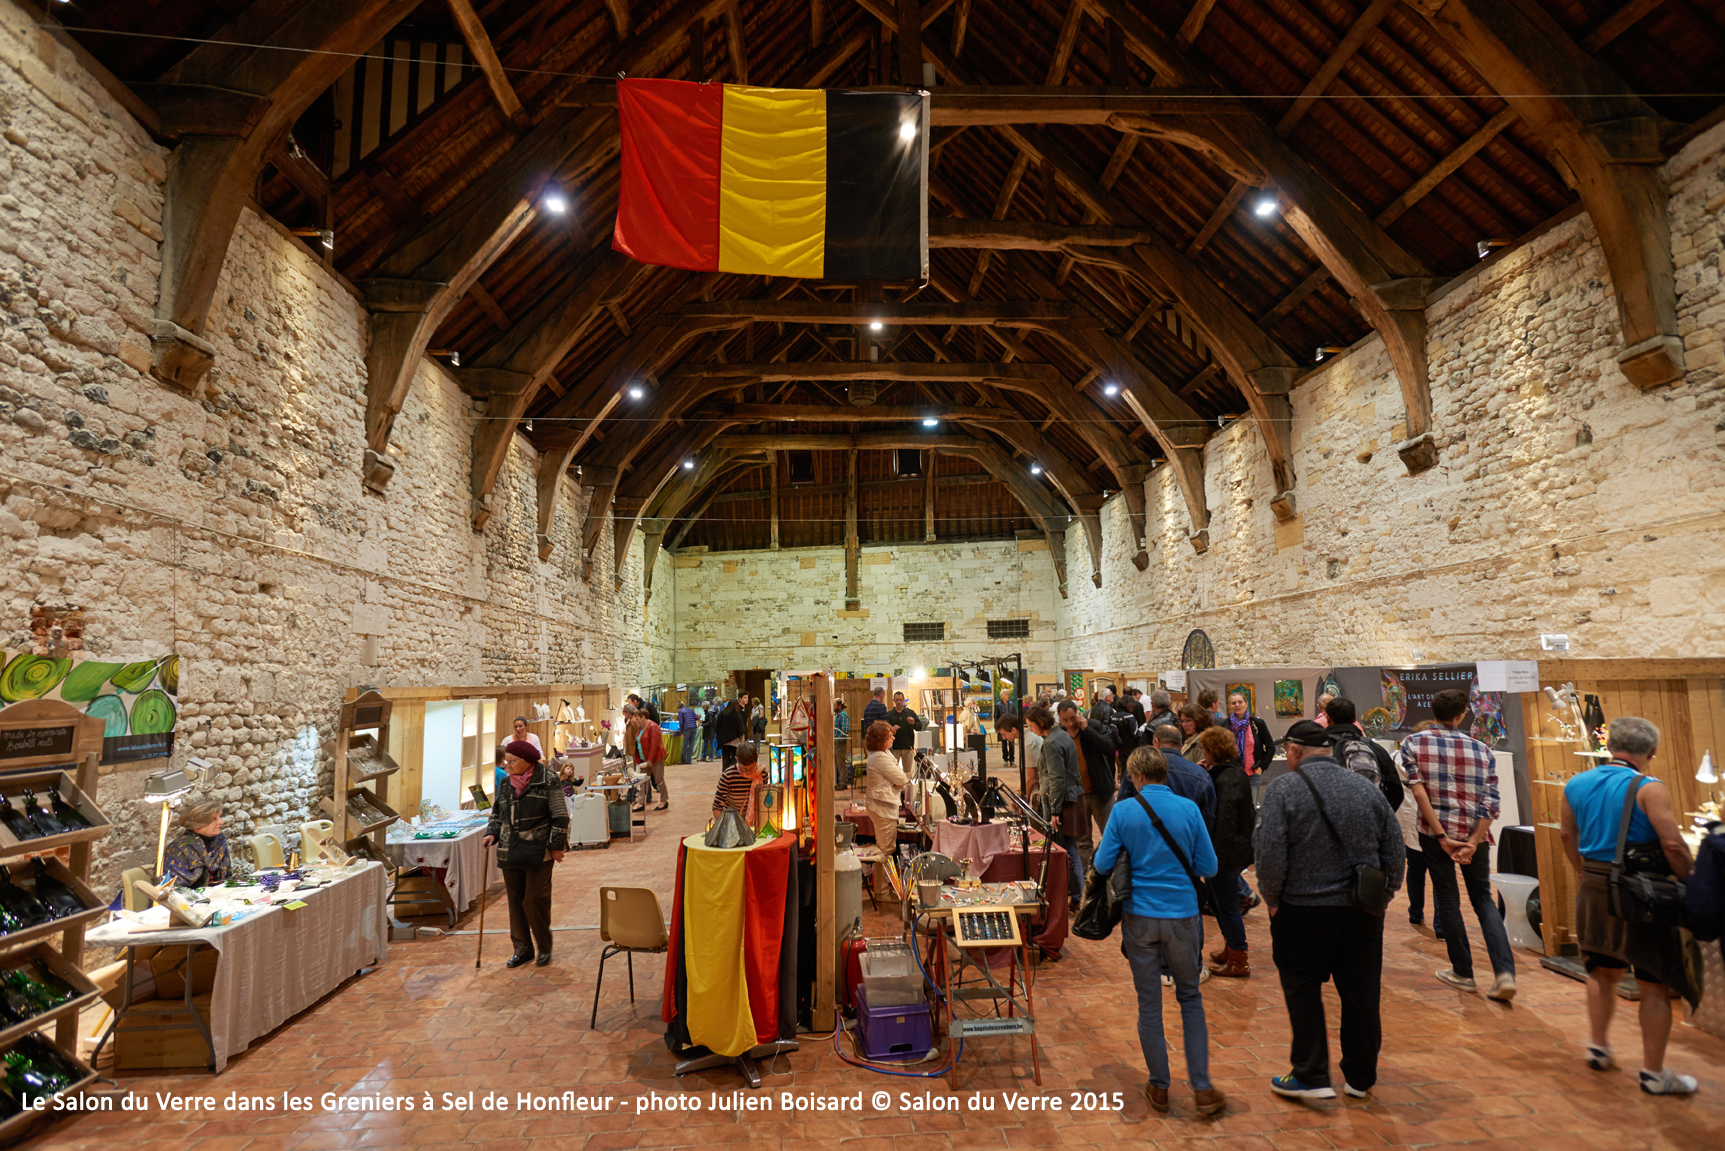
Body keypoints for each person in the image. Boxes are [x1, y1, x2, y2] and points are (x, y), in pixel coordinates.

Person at [1255, 720, 1403, 1101]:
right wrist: (1382, 898)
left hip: (1302, 910)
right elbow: (1394, 851)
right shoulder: (1364, 788)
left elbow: (1270, 852)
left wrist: (1271, 899)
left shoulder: (1284, 789)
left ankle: (1311, 1074)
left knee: (1302, 988)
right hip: (1361, 912)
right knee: (1361, 994)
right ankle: (1360, 1077)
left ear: (1293, 752)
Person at [1560, 716, 1698, 1095]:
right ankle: (1654, 1074)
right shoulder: (1650, 788)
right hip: (1643, 889)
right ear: (1651, 752)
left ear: (1609, 747)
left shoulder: (1576, 782)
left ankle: (1598, 1047)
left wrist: (1586, 875)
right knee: (1654, 982)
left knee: (1600, 971)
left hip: (1593, 884)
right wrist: (1694, 884)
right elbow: (1672, 845)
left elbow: (1566, 835)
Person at [1093, 747, 1224, 1117]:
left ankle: (1160, 1085)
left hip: (1140, 917)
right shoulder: (1188, 809)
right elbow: (1209, 867)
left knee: (1149, 1003)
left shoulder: (1123, 811)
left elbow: (1103, 864)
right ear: (1164, 773)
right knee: (1191, 999)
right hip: (1183, 916)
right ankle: (1201, 1085)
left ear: (1134, 776)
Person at [1401, 688, 1513, 999]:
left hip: (1435, 835)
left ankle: (1463, 972)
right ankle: (1504, 973)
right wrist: (1475, 841)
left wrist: (1441, 835)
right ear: (1462, 715)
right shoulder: (1482, 749)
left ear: (1432, 711)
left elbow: (1419, 792)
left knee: (1447, 899)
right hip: (1473, 835)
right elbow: (1491, 803)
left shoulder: (1413, 743)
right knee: (1483, 901)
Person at [482, 738, 569, 968]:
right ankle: (522, 949)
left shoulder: (548, 779)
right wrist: (492, 833)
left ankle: (544, 945)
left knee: (534, 899)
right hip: (510, 849)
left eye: (511, 762)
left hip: (538, 849)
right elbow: (497, 813)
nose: (507, 766)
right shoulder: (505, 783)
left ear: (526, 761)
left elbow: (560, 815)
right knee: (516, 900)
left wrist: (556, 845)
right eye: (506, 761)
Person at [1194, 727, 1254, 978]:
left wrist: (1213, 860)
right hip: (1232, 852)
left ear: (1211, 751)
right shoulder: (1230, 774)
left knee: (1227, 906)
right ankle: (1232, 948)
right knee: (1219, 903)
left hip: (1225, 854)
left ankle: (1239, 957)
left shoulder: (1225, 780)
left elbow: (1225, 824)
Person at [1029, 704, 1084, 904]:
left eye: (1031, 725)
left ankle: (1068, 896)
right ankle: (1074, 897)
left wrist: (1054, 811)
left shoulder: (1052, 742)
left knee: (1065, 851)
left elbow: (1056, 779)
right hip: (1070, 798)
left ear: (1040, 723)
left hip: (1063, 803)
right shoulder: (1061, 736)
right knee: (1070, 849)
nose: (1030, 730)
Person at [1059, 699, 1116, 874]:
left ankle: (1110, 875)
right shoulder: (1060, 735)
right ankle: (1088, 877)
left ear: (1078, 714)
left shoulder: (1093, 726)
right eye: (1065, 720)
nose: (1069, 723)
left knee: (1111, 835)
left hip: (1101, 793)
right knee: (1082, 840)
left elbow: (1109, 748)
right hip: (1077, 797)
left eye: (1072, 718)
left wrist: (1087, 730)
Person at [1124, 725, 1215, 830]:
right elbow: (1208, 820)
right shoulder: (1201, 775)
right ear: (1181, 745)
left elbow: (1124, 808)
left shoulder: (1137, 770)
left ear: (1157, 743)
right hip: (1185, 840)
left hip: (1143, 838)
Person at [1324, 698, 1404, 813]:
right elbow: (1396, 791)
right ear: (1355, 718)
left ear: (1328, 718)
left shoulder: (1319, 749)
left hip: (1333, 822)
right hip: (1371, 820)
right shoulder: (1375, 748)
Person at [864, 721, 908, 895]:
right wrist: (897, 782)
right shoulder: (879, 757)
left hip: (883, 805)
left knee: (885, 847)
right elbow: (902, 779)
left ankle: (883, 888)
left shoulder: (882, 753)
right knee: (886, 849)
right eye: (890, 736)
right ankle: (882, 892)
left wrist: (897, 781)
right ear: (881, 740)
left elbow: (900, 779)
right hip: (882, 807)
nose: (893, 738)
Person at [164, 798, 231, 887]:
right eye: (214, 819)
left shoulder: (218, 840)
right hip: (189, 898)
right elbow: (172, 889)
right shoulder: (179, 849)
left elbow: (228, 877)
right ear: (197, 825)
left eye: (219, 817)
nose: (221, 822)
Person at [623, 703, 668, 812]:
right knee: (642, 780)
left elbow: (654, 745)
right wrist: (639, 759)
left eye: (638, 719)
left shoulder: (653, 727)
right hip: (644, 759)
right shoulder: (640, 727)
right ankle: (641, 802)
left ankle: (664, 800)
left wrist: (650, 760)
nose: (636, 721)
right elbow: (637, 742)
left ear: (643, 717)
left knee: (658, 780)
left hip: (655, 758)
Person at [711, 743, 764, 825]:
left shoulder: (762, 774)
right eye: (744, 768)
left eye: (752, 767)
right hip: (732, 823)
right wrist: (725, 827)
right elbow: (717, 807)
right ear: (737, 760)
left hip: (756, 824)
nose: (748, 772)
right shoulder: (728, 776)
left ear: (757, 758)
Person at [887, 691, 919, 776]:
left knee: (907, 773)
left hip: (907, 747)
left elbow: (919, 727)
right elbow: (884, 731)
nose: (898, 702)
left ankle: (907, 789)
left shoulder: (910, 713)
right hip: (894, 748)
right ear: (894, 700)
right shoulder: (889, 715)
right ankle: (896, 790)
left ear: (903, 700)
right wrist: (891, 730)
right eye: (897, 700)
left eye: (900, 700)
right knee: (894, 773)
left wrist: (913, 723)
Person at [716, 694, 749, 769]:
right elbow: (741, 729)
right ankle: (733, 773)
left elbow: (718, 727)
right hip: (735, 741)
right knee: (734, 759)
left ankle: (725, 774)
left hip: (724, 741)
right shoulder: (737, 716)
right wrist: (742, 741)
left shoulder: (722, 714)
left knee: (725, 758)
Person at [833, 700, 852, 790]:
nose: (833, 707)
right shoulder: (837, 715)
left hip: (840, 743)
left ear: (839, 706)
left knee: (841, 764)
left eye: (834, 705)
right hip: (835, 742)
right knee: (837, 763)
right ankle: (840, 781)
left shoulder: (843, 715)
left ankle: (844, 783)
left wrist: (838, 740)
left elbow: (845, 730)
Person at [676, 700, 698, 766]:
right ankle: (689, 760)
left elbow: (681, 722)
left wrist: (681, 732)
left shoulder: (680, 711)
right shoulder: (690, 709)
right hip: (694, 727)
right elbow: (696, 717)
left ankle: (683, 760)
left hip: (686, 728)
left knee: (685, 744)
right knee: (691, 744)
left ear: (678, 707)